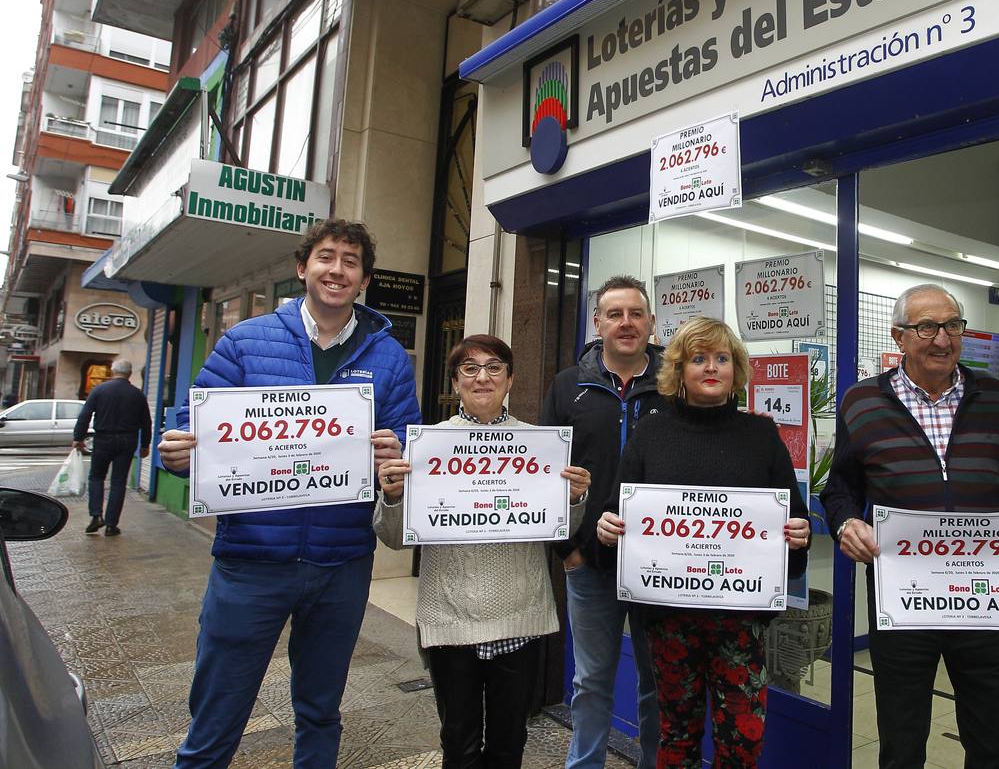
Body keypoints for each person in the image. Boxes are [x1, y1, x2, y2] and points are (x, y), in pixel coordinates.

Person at [157, 219, 421, 768]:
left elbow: (402, 455)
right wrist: (180, 456)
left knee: (321, 712)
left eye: (351, 261)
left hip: (341, 562)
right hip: (250, 560)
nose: (337, 270)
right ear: (303, 268)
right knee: (216, 715)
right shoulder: (245, 341)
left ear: (364, 279)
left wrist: (393, 460)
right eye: (326, 257)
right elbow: (197, 431)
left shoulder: (389, 358)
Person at [822, 283, 999, 769]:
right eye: (927, 327)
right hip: (903, 603)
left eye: (953, 325)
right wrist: (844, 525)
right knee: (901, 745)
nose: (942, 339)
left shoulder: (995, 395)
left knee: (994, 743)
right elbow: (839, 487)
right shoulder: (861, 402)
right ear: (900, 336)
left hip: (986, 600)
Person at [596, 317, 811, 767]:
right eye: (698, 358)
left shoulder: (761, 435)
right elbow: (619, 517)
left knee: (743, 738)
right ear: (679, 369)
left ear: (737, 369)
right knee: (675, 734)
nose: (711, 367)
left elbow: (795, 522)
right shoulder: (651, 432)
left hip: (740, 621)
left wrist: (798, 536)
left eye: (722, 358)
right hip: (669, 619)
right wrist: (608, 530)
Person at [373, 334, 591, 769]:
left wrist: (574, 499)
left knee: (509, 744)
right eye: (469, 369)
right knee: (459, 743)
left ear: (510, 380)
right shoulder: (426, 447)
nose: (482, 377)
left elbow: (562, 529)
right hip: (450, 618)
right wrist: (394, 497)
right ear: (455, 383)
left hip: (520, 616)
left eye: (494, 367)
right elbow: (395, 537)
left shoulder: (540, 447)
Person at [540, 275, 661, 769]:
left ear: (651, 322)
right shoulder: (569, 385)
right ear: (598, 323)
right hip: (589, 566)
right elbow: (545, 470)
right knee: (590, 682)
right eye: (615, 314)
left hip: (662, 567)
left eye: (635, 314)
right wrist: (567, 549)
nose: (626, 323)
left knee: (660, 683)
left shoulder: (676, 383)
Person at [73, 358, 152, 536]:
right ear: (129, 373)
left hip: (103, 439)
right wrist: (145, 444)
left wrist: (78, 437)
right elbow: (146, 422)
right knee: (118, 481)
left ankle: (95, 516)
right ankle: (111, 524)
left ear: (112, 371)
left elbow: (85, 415)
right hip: (128, 440)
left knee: (96, 477)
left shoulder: (99, 390)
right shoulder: (137, 394)